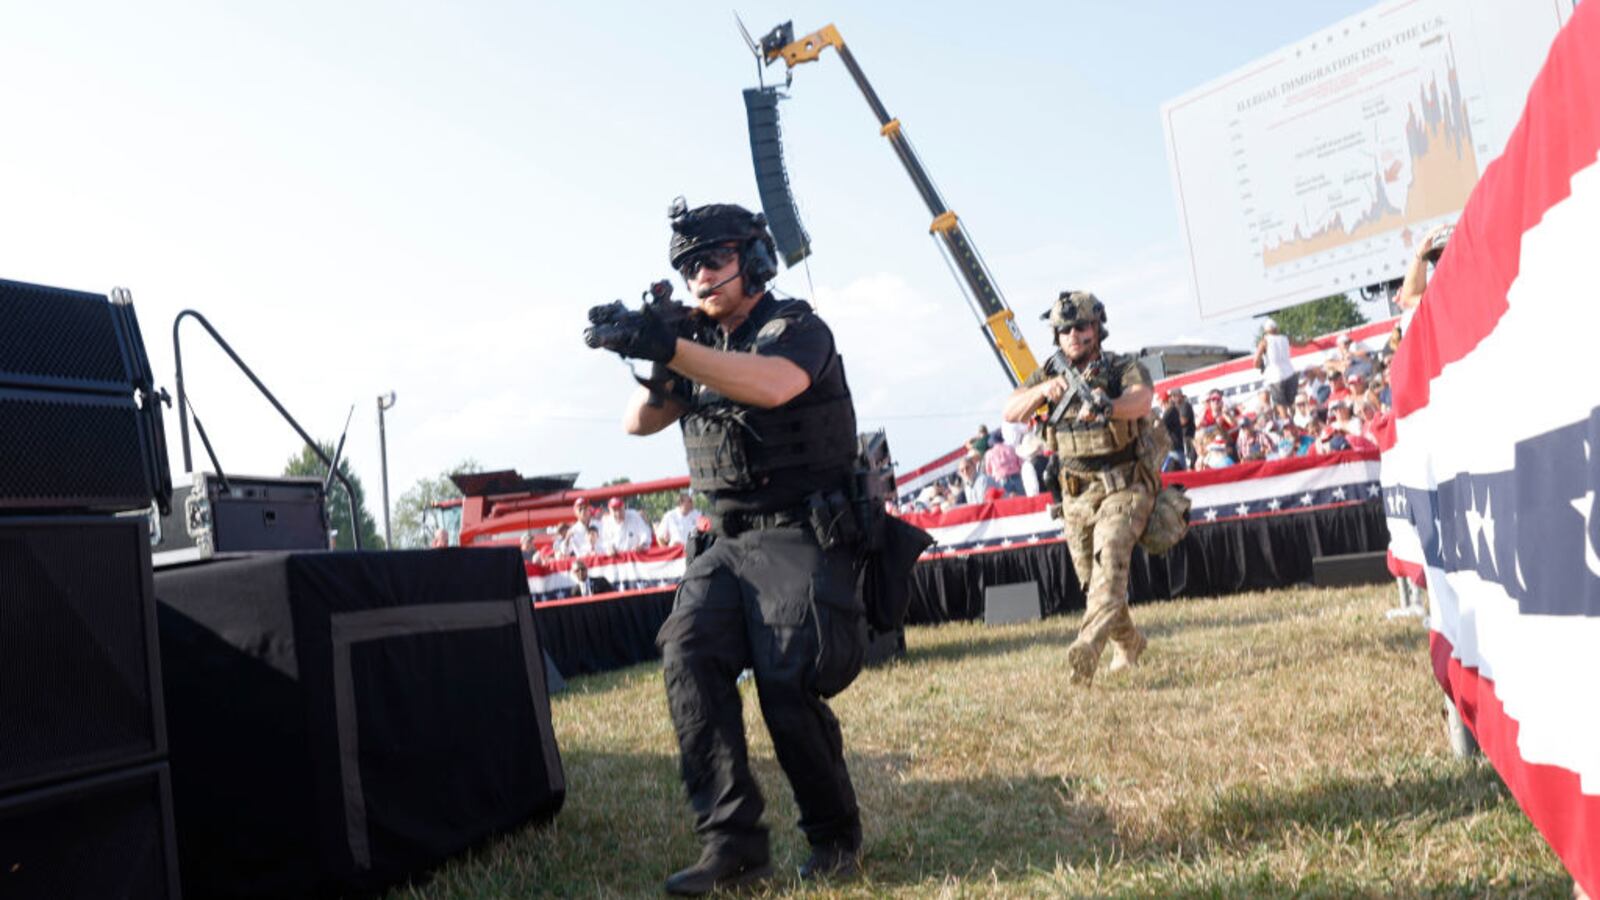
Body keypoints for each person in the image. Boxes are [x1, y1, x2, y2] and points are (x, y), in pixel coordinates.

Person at [586, 199, 868, 893]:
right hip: (730, 540)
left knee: (784, 679)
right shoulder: (695, 343)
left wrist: (674, 348)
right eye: (687, 268)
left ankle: (835, 835)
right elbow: (638, 423)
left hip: (804, 530)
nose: (699, 277)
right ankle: (733, 844)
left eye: (712, 260)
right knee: (686, 652)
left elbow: (773, 386)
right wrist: (652, 353)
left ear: (756, 258)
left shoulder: (797, 327)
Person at [1001, 290, 1155, 687]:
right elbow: (1010, 410)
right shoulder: (1049, 374)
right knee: (1095, 581)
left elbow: (1142, 400)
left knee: (1110, 565)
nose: (1073, 334)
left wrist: (1110, 405)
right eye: (1064, 329)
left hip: (1123, 485)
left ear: (1097, 329)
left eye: (1081, 326)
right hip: (1075, 496)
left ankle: (1086, 647)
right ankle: (1131, 643)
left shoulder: (1121, 366)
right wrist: (1041, 391)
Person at [1254, 319, 1298, 409]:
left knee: (1281, 405)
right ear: (1276, 329)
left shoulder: (1264, 341)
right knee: (1292, 404)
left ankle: (1287, 422)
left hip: (1275, 377)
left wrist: (1262, 366)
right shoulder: (1286, 338)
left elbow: (1255, 362)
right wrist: (1310, 341)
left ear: (1266, 331)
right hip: (1290, 374)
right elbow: (1302, 344)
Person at [983, 430, 1025, 497]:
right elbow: (1020, 463)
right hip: (1016, 476)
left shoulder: (989, 454)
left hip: (1000, 480)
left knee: (1007, 503)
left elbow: (989, 471)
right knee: (1023, 499)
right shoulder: (1011, 448)